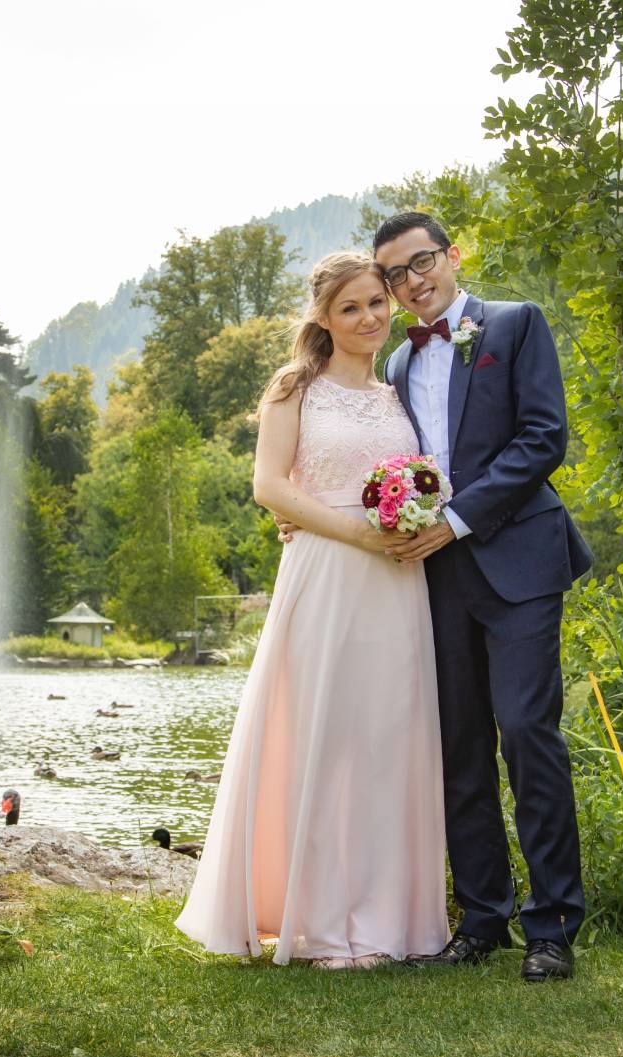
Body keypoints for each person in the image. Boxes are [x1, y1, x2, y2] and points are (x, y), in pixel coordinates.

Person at [174, 252, 450, 970]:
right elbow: (269, 484)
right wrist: (353, 530)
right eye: (350, 307)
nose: (368, 317)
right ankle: (320, 922)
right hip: (326, 575)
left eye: (375, 303)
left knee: (388, 743)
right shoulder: (294, 385)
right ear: (323, 318)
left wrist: (416, 515)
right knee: (322, 740)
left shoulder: (398, 391)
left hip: (396, 582)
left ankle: (392, 919)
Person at [372, 212, 593, 982]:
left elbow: (542, 437)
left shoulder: (514, 323)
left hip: (519, 561)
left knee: (528, 733)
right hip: (432, 576)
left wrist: (458, 520)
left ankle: (553, 925)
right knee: (458, 744)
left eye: (421, 261)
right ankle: (481, 917)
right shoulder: (395, 364)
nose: (412, 281)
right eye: (395, 274)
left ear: (451, 255)